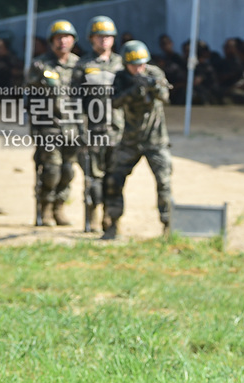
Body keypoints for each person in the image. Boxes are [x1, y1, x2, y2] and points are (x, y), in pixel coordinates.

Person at [101, 40, 173, 240]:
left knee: (164, 182)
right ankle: (113, 224)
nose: (138, 69)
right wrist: (132, 90)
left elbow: (166, 97)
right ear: (126, 64)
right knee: (114, 180)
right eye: (134, 66)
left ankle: (168, 225)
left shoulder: (154, 73)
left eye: (141, 64)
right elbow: (114, 102)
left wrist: (152, 87)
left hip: (155, 140)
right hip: (130, 140)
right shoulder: (121, 78)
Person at [25, 19, 81, 227]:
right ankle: (45, 209)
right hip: (48, 127)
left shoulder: (79, 65)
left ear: (73, 40)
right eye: (58, 38)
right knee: (50, 171)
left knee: (68, 171)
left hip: (72, 128)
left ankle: (60, 207)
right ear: (51, 41)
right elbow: (29, 96)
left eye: (67, 37)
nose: (63, 42)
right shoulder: (40, 65)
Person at [74, 15, 124, 232]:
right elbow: (74, 100)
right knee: (93, 178)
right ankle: (92, 217)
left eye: (108, 36)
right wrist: (79, 127)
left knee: (114, 179)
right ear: (91, 39)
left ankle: (111, 219)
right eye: (99, 36)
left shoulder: (122, 64)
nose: (104, 40)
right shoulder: (82, 65)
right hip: (92, 130)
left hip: (117, 130)